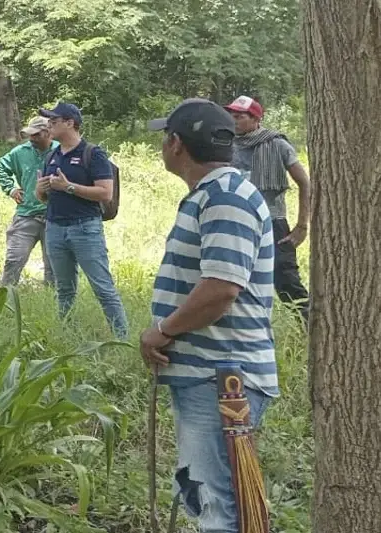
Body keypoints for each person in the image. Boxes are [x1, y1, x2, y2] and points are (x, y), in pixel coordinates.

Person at [143, 98, 277, 533]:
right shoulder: (215, 195)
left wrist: (162, 330)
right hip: (212, 375)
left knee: (220, 508)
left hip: (221, 378)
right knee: (213, 499)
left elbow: (221, 289)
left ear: (176, 144)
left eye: (165, 138)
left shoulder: (225, 199)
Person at [36, 102, 129, 337]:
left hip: (85, 228)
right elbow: (44, 198)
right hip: (55, 227)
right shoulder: (52, 155)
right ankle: (66, 335)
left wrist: (68, 187)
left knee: (103, 288)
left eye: (54, 121)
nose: (49, 126)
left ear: (70, 123)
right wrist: (40, 189)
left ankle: (122, 338)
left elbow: (105, 193)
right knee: (63, 289)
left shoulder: (93, 153)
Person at [225, 95, 312, 322]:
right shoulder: (226, 145)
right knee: (233, 277)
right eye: (231, 115)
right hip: (236, 221)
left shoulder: (277, 144)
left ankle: (311, 328)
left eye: (240, 116)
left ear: (256, 119)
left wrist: (302, 225)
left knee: (286, 280)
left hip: (273, 221)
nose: (234, 120)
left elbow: (304, 182)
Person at [0, 116, 57, 286]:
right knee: (14, 260)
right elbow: (1, 166)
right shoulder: (21, 152)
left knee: (54, 266)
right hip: (26, 214)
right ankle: (5, 295)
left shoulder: (60, 150)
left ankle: (53, 298)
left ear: (47, 133)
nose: (32, 139)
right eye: (30, 135)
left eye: (36, 135)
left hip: (54, 216)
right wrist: (11, 189)